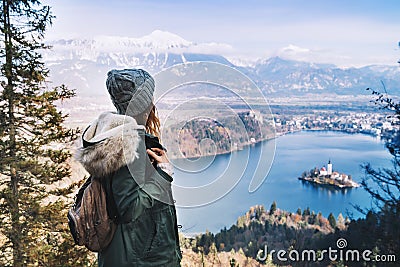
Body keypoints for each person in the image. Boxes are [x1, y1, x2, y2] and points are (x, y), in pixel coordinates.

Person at [75, 69, 182, 266]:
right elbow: (130, 208)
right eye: (149, 96)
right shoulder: (129, 145)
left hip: (128, 254)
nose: (152, 102)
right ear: (142, 104)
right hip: (142, 259)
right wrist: (164, 174)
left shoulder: (113, 138)